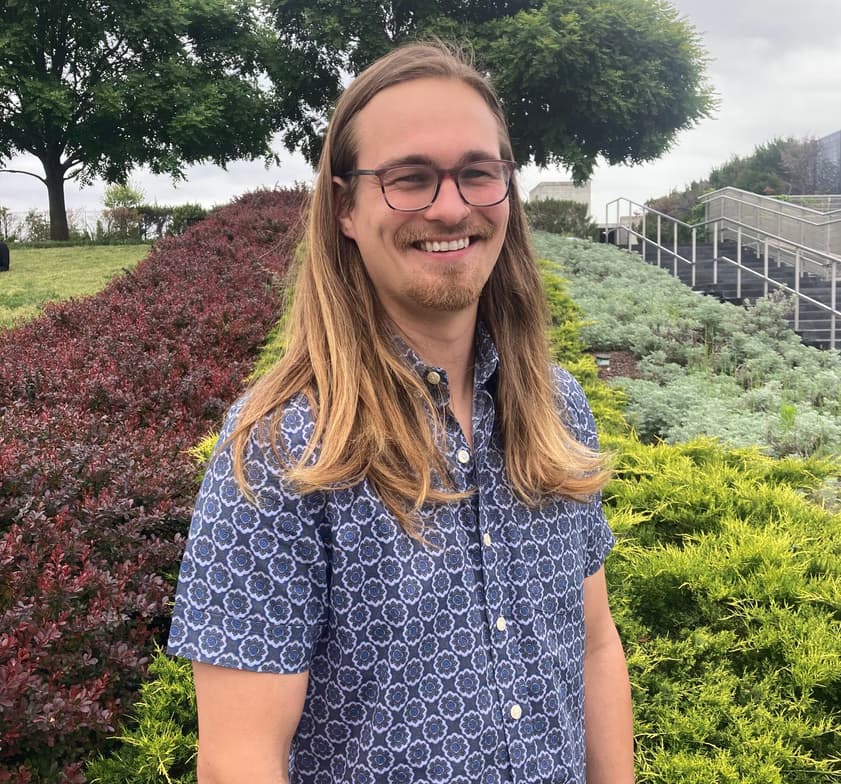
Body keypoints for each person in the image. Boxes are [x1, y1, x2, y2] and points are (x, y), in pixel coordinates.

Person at [168, 41, 634, 784]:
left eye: (478, 173)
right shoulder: (281, 448)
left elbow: (594, 646)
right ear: (345, 207)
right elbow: (238, 760)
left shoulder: (555, 407)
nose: (451, 207)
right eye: (408, 179)